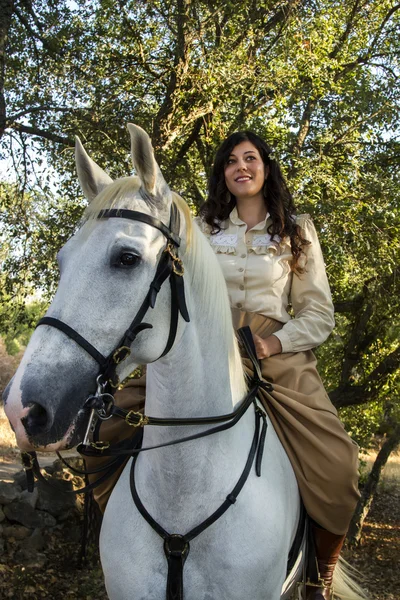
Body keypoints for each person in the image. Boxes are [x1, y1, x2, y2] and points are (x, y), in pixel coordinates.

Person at [86, 131, 360, 600]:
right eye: (231, 161)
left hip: (272, 353)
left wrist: (274, 342)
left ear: (265, 168)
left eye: (250, 158)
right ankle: (127, 544)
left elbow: (318, 312)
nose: (241, 167)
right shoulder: (201, 228)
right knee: (102, 432)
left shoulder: (297, 229)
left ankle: (319, 580)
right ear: (223, 174)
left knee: (338, 464)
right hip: (201, 347)